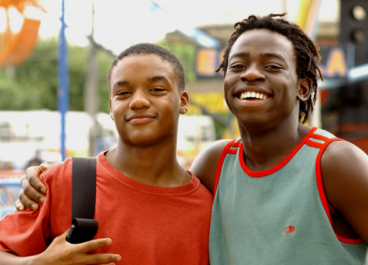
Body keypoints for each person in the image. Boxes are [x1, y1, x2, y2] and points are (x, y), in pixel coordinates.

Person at [16, 14, 368, 264]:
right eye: (238, 66)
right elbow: (148, 189)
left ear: (302, 87)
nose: (251, 75)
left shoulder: (335, 163)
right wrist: (48, 180)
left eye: (271, 66)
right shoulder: (216, 165)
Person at [0, 43, 212, 264]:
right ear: (112, 107)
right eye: (123, 93)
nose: (138, 101)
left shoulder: (209, 210)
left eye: (157, 89)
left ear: (183, 101)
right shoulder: (62, 182)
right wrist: (38, 263)